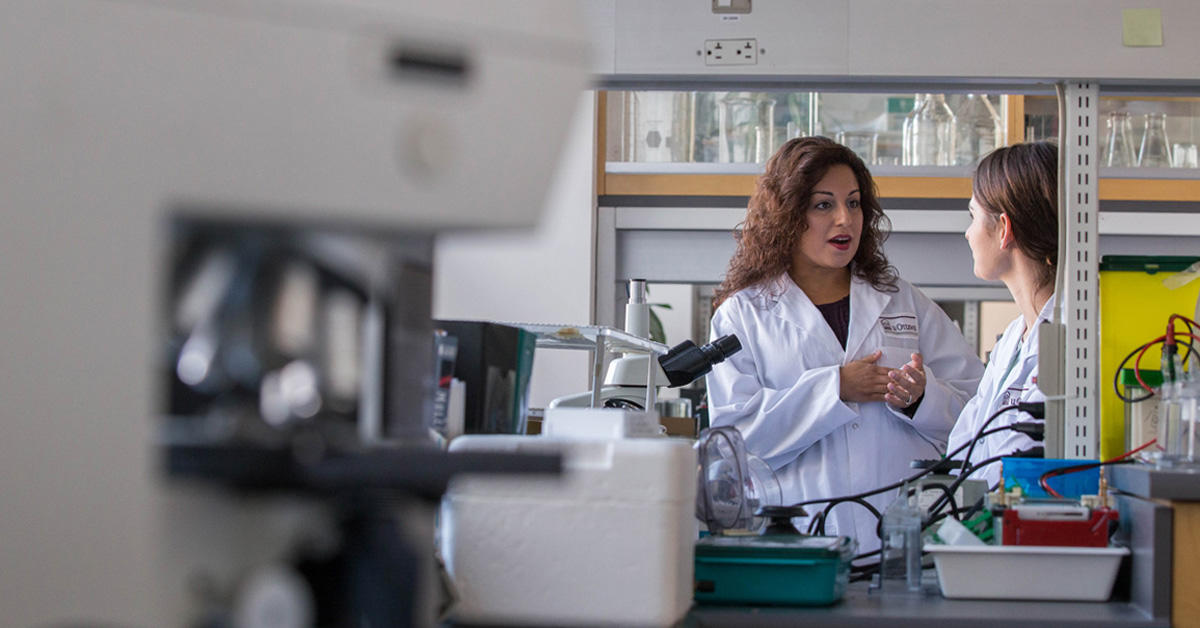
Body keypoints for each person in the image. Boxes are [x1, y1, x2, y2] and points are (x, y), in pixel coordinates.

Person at [705, 136, 984, 552]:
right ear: (786, 213)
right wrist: (834, 388)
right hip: (797, 541)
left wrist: (921, 399)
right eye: (824, 205)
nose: (845, 219)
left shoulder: (902, 301)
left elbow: (977, 410)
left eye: (854, 203)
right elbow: (734, 443)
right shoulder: (744, 315)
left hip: (897, 542)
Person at [947, 142, 1059, 487]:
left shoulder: (1074, 338)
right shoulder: (1014, 337)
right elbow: (962, 450)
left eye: (973, 217)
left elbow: (1020, 467)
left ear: (1005, 229)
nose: (968, 233)